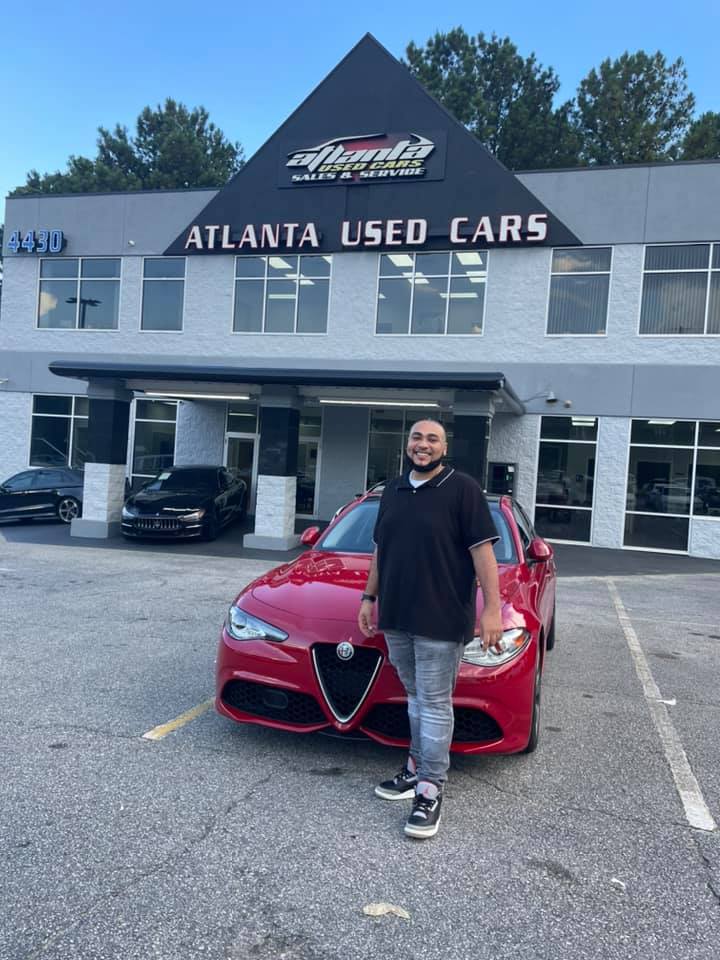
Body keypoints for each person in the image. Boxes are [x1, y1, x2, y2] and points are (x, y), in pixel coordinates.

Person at [358, 419, 503, 839]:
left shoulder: (463, 490)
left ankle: (430, 790)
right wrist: (368, 598)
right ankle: (414, 767)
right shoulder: (392, 490)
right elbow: (381, 551)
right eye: (417, 438)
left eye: (432, 439)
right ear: (408, 444)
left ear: (444, 447)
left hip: (441, 616)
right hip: (397, 615)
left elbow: (483, 554)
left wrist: (492, 610)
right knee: (415, 698)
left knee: (435, 703)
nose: (423, 445)